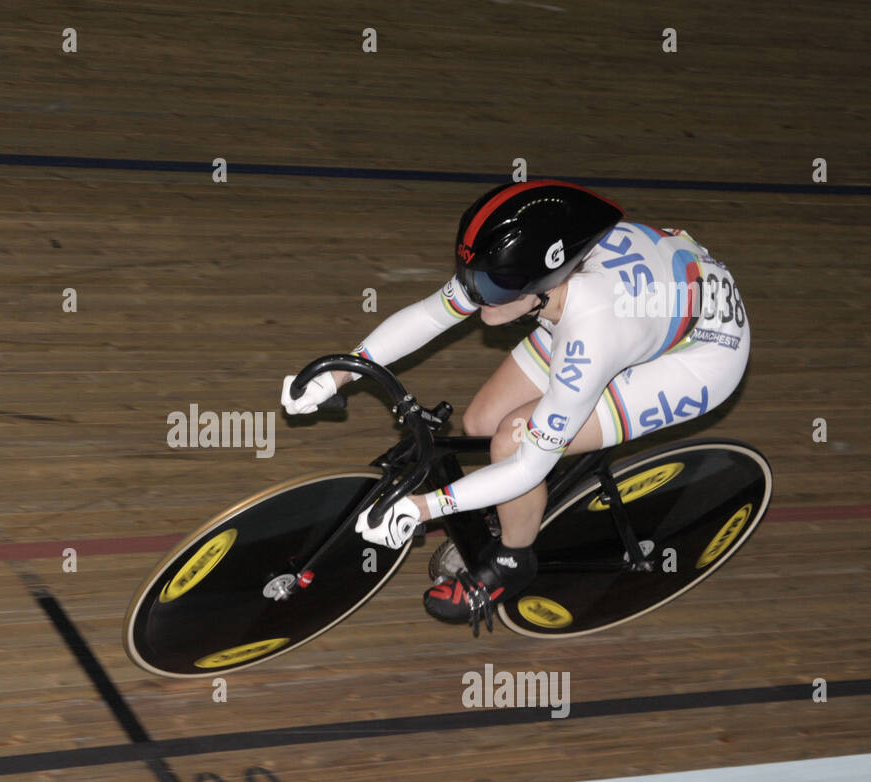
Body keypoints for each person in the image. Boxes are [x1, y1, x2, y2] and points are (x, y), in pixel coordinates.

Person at [280, 179, 750, 627]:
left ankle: (512, 560)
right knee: (482, 419)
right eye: (474, 280)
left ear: (542, 282)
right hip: (635, 306)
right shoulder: (521, 279)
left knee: (511, 443)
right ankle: (516, 506)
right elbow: (430, 315)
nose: (479, 301)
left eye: (495, 290)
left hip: (700, 357)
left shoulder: (591, 338)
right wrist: (337, 372)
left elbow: (527, 464)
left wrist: (426, 509)